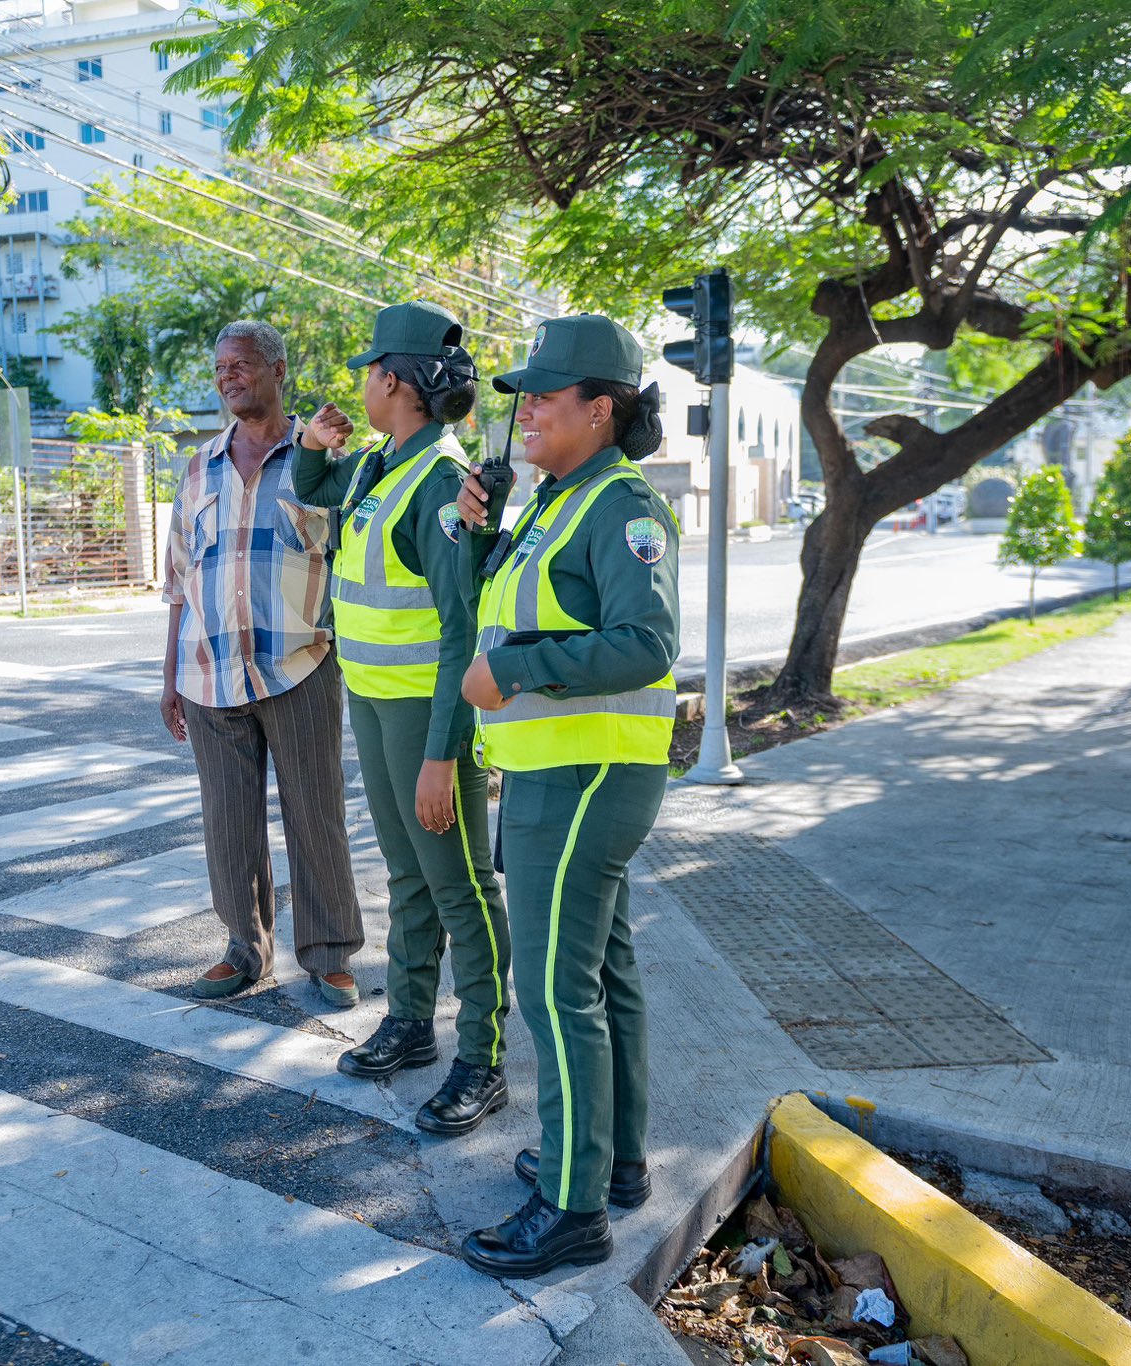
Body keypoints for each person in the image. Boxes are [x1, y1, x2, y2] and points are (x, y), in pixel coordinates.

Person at [451, 314, 679, 1279]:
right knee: (603, 975)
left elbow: (648, 643)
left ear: (602, 409)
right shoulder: (558, 499)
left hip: (585, 776)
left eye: (546, 396)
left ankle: (573, 1209)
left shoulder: (621, 507)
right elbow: (499, 612)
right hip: (561, 772)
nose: (527, 410)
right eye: (525, 396)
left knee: (553, 992)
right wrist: (476, 534)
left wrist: (519, 670)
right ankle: (612, 1162)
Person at [293, 300, 513, 1137]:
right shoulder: (383, 462)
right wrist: (315, 449)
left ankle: (482, 1059)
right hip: (378, 702)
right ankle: (414, 1021)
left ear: (392, 380)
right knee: (410, 874)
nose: (361, 384)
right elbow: (320, 498)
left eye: (369, 372)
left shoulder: (440, 486)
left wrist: (441, 757)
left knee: (461, 887)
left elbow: (463, 632)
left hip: (427, 718)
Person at [159, 320, 365, 1009]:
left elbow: (352, 560)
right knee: (227, 820)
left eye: (242, 364)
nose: (228, 376)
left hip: (300, 664)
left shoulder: (321, 462)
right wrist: (168, 679)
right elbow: (177, 582)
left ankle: (330, 953)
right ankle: (245, 949)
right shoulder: (198, 469)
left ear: (278, 369)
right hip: (210, 673)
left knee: (316, 814)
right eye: (221, 366)